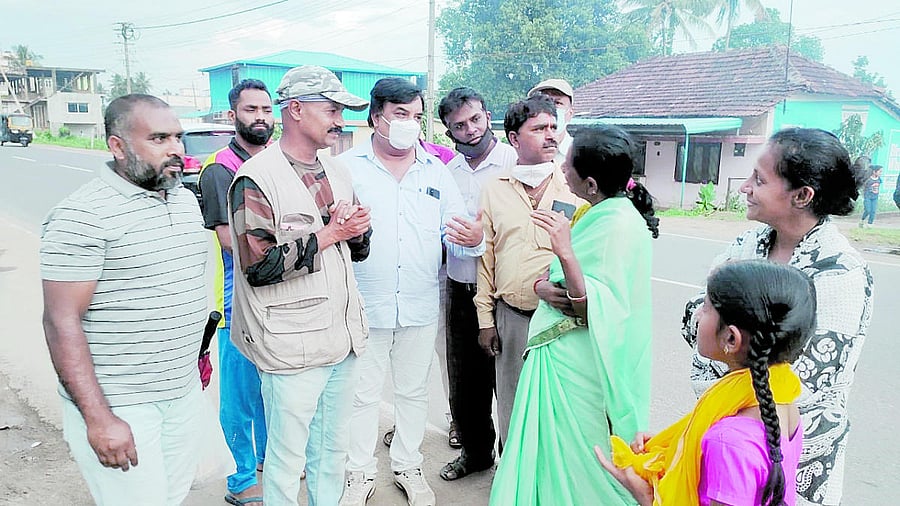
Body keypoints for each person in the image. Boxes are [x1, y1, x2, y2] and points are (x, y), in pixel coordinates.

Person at [682, 128, 873, 505]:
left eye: (759, 180)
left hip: (794, 460)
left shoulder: (841, 273)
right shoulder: (750, 243)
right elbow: (695, 319)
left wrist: (724, 346)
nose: (745, 188)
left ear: (802, 196)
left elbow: (800, 385)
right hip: (731, 443)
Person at [40, 94, 207, 504]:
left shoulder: (185, 200)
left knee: (171, 498)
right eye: (159, 138)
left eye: (179, 137)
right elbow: (61, 322)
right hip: (123, 405)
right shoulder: (81, 216)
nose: (176, 149)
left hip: (181, 394)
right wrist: (98, 419)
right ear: (118, 146)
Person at [488, 124, 658, 505]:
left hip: (582, 363)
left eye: (568, 165)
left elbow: (594, 304)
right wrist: (548, 285)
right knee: (555, 453)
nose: (562, 169)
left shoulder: (617, 223)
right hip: (567, 356)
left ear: (592, 183)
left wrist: (561, 255)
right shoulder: (598, 212)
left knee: (580, 454)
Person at [227, 65, 372, 506]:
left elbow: (356, 251)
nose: (339, 120)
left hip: (341, 338)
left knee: (332, 453)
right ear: (294, 110)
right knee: (287, 461)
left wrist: (359, 230)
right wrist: (330, 235)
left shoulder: (337, 171)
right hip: (290, 345)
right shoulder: (256, 177)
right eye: (330, 109)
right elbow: (258, 266)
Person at [338, 77, 484, 506]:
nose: (410, 125)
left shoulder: (435, 170)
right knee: (362, 395)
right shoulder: (347, 168)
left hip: (420, 303)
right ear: (375, 117)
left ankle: (408, 466)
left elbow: (457, 236)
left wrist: (473, 237)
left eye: (417, 116)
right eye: (401, 115)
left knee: (413, 392)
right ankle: (359, 473)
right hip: (364, 304)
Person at [598, 260, 816, 506]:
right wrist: (674, 446)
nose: (699, 314)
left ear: (731, 338)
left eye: (706, 307)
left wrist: (646, 496)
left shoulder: (728, 442)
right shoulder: (783, 401)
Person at [474, 94, 582, 451]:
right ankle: (512, 484)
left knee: (555, 414)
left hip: (560, 323)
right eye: (538, 129)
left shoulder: (575, 188)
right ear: (514, 139)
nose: (550, 135)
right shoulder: (495, 190)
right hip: (512, 319)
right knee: (512, 408)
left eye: (554, 127)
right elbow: (486, 257)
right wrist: (486, 320)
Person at [436, 86, 518, 482]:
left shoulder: (515, 164)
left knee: (509, 380)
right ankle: (475, 454)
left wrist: (481, 239)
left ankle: (514, 463)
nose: (470, 130)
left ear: (488, 115)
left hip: (503, 292)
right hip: (459, 286)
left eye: (475, 119)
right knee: (465, 381)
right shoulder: (446, 173)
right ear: (448, 131)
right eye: (459, 126)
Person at [198, 79, 274, 505]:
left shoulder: (276, 162)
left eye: (266, 109)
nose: (260, 117)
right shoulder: (219, 169)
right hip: (235, 302)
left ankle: (266, 459)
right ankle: (241, 477)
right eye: (251, 110)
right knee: (239, 397)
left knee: (270, 389)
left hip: (275, 298)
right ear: (233, 116)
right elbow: (232, 241)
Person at [528, 78, 575, 163]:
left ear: (570, 114)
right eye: (545, 102)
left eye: (557, 103)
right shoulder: (523, 153)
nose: (550, 107)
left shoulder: (580, 154)